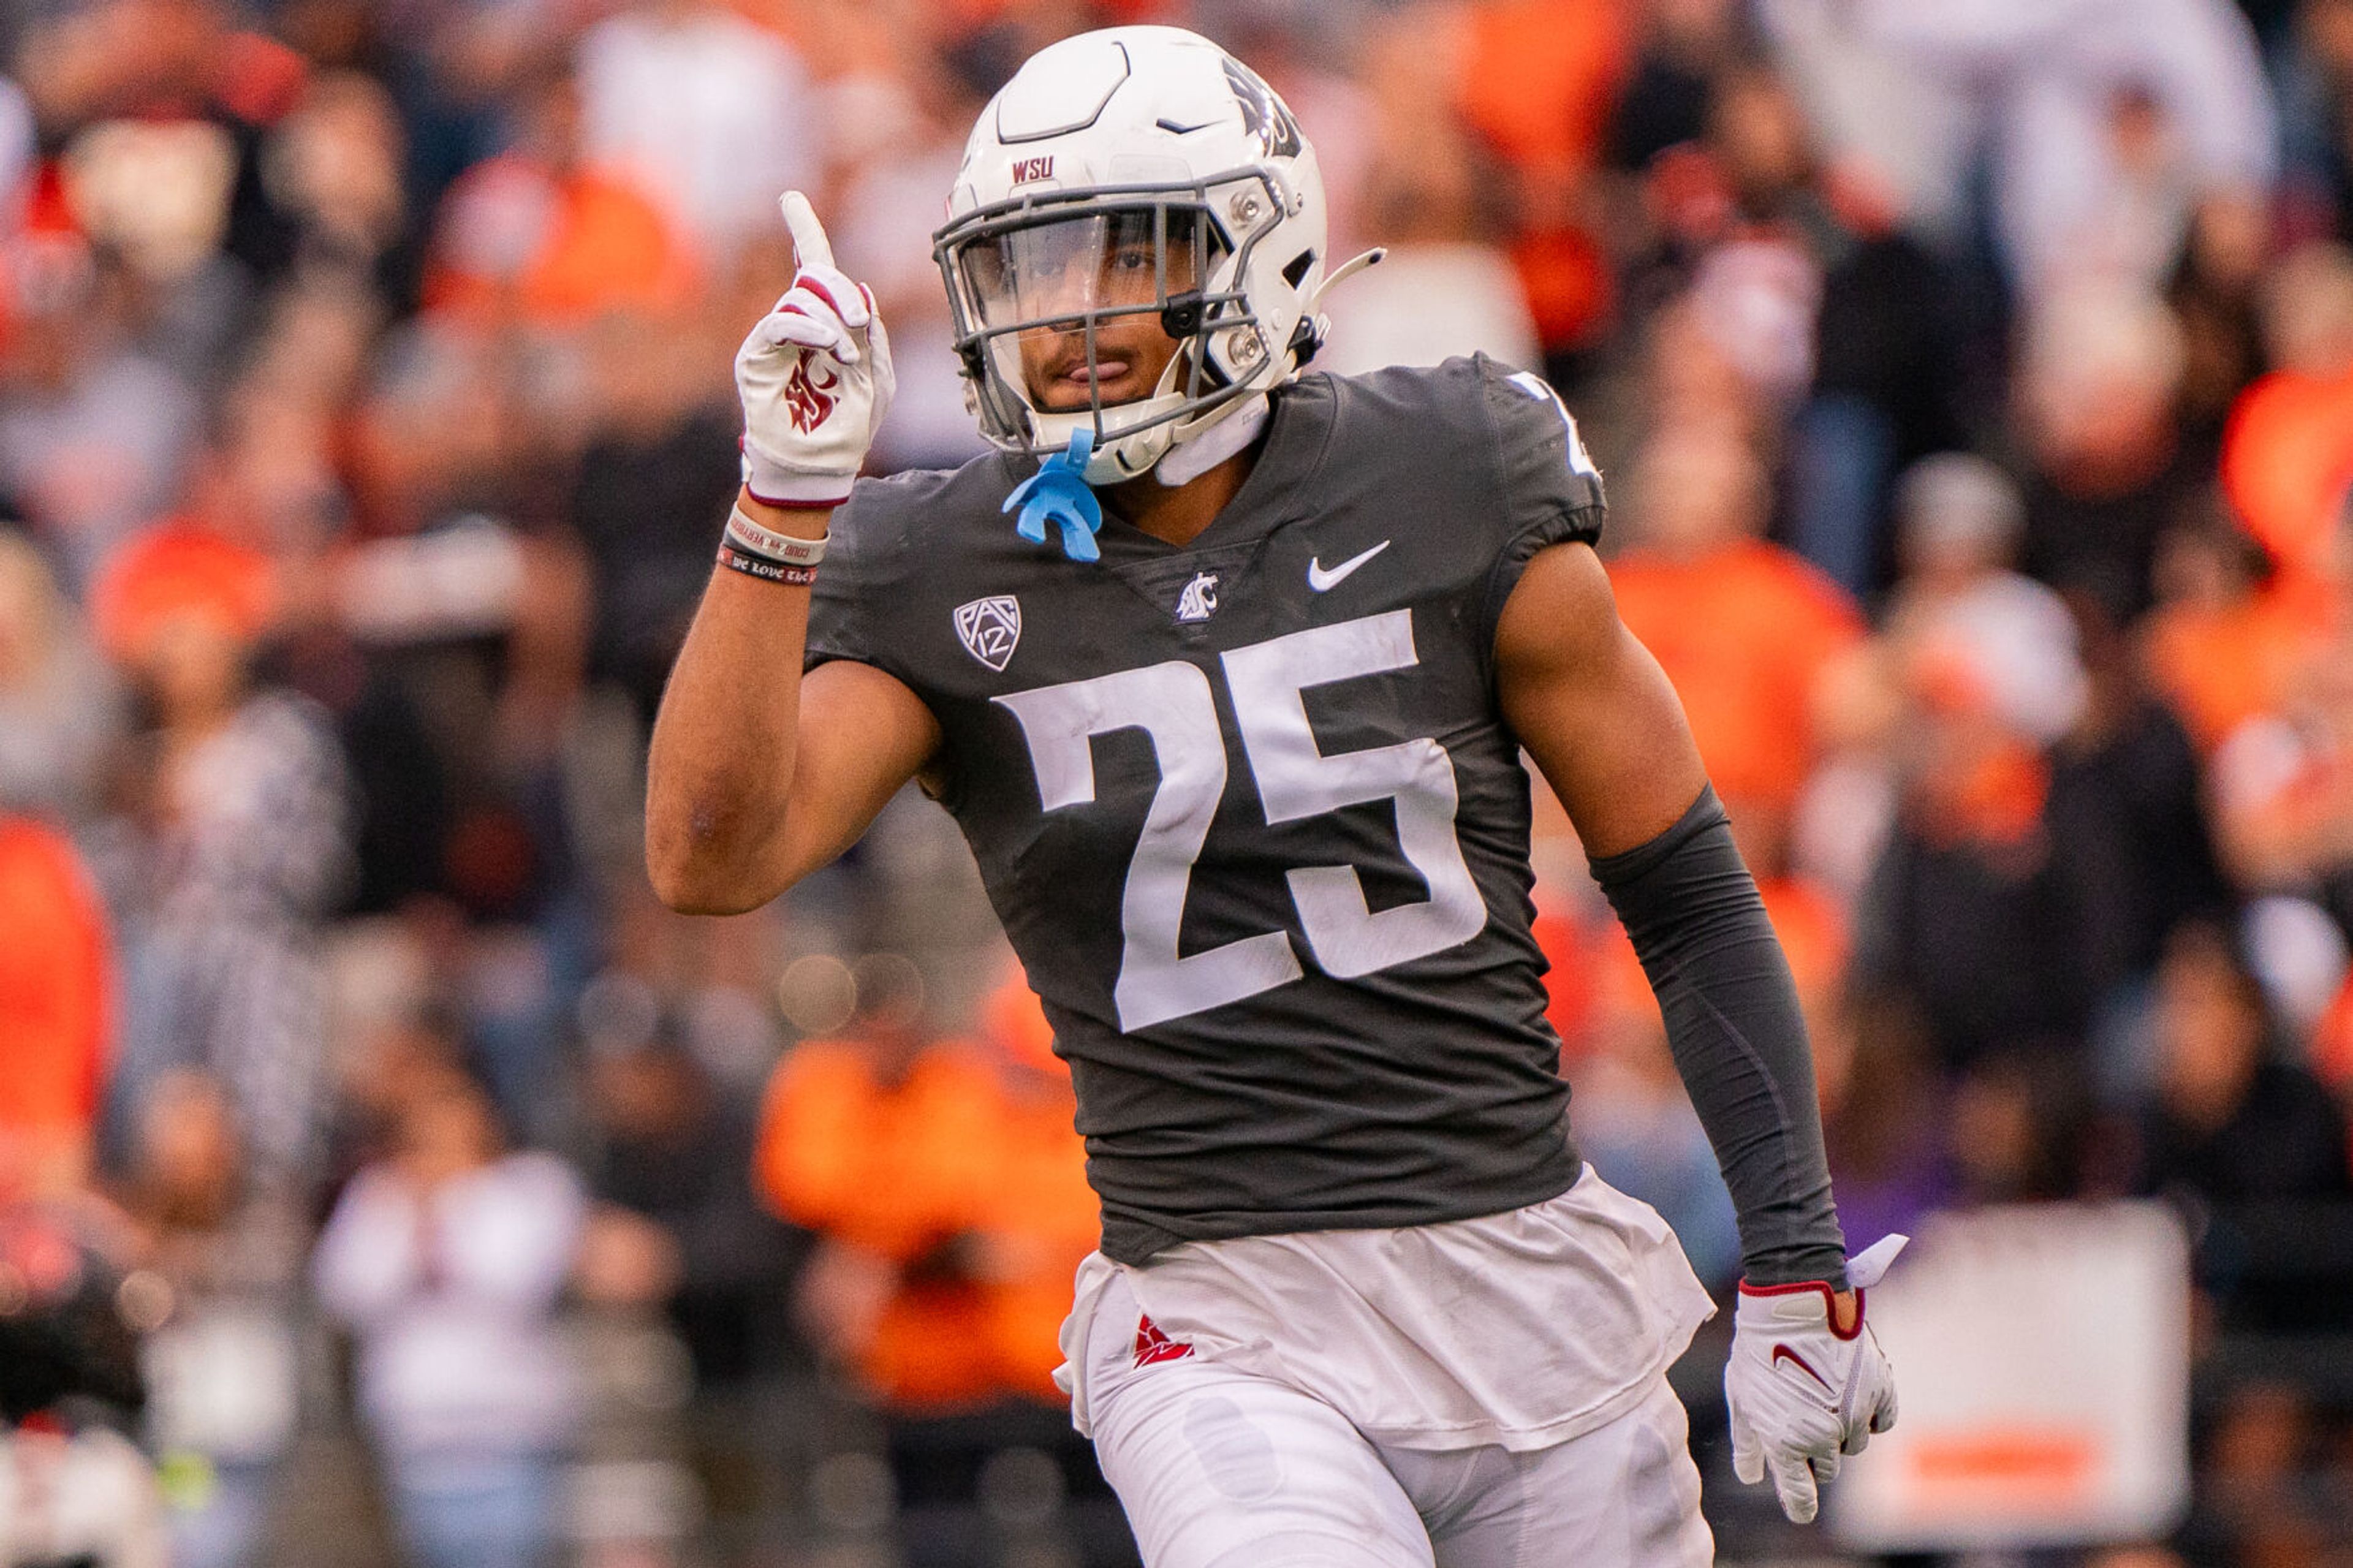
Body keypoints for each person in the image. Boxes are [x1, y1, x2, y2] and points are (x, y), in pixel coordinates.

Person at [648, 26, 1898, 1565]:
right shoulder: (940, 563)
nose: (1065, 318)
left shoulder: (1450, 469)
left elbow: (1686, 888)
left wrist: (1791, 1249)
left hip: (1521, 1276)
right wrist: (777, 502)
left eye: (1123, 257)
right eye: (1030, 271)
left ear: (1257, 245)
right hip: (1220, 1307)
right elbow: (710, 856)